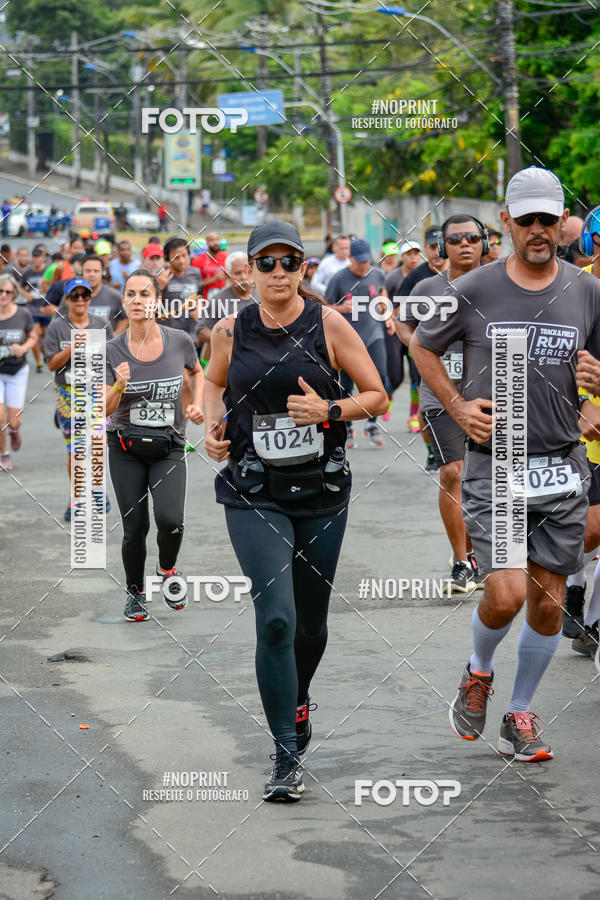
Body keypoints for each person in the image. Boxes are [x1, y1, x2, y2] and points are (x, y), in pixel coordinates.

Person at [411, 166, 600, 761]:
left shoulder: (587, 289)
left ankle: (518, 713)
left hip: (562, 464)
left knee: (547, 602)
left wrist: (596, 395)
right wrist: (458, 405)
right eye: (528, 221)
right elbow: (423, 346)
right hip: (497, 462)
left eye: (549, 219)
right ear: (506, 222)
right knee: (507, 592)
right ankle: (479, 669)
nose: (539, 230)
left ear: (562, 223)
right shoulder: (474, 289)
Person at [204, 220, 387, 801]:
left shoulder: (327, 322)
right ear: (250, 270)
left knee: (310, 622)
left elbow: (376, 394)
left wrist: (330, 411)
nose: (279, 272)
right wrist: (208, 424)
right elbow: (211, 384)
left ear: (304, 268)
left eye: (290, 262)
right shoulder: (230, 330)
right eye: (267, 263)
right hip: (253, 490)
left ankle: (298, 696)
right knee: (276, 618)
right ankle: (285, 753)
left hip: (322, 490)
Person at [105, 269, 204, 622]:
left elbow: (197, 371)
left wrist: (197, 404)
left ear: (157, 302)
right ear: (123, 301)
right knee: (135, 527)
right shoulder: (111, 350)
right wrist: (118, 386)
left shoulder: (179, 340)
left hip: (170, 445)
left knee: (170, 519)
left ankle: (166, 568)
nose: (136, 300)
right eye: (130, 294)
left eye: (144, 294)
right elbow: (102, 408)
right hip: (125, 448)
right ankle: (135, 594)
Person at [396, 215, 488, 592]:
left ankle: (480, 552)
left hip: (491, 395)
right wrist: (419, 350)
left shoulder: (503, 284)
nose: (464, 244)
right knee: (453, 472)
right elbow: (403, 324)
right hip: (440, 396)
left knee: (486, 479)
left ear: (484, 241)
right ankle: (461, 561)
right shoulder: (424, 289)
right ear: (442, 248)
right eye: (455, 239)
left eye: (472, 237)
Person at [45, 278, 114, 520]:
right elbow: (51, 364)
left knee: (97, 445)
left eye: (85, 295)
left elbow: (110, 361)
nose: (81, 300)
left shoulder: (102, 325)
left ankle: (97, 490)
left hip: (96, 392)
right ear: (66, 299)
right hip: (68, 394)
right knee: (74, 450)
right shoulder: (57, 326)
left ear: (90, 298)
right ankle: (76, 498)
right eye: (75, 296)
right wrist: (71, 348)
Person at [325, 238, 391, 448]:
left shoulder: (377, 273)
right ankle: (347, 426)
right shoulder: (339, 279)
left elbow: (382, 291)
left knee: (381, 377)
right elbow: (324, 306)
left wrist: (386, 313)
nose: (364, 266)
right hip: (347, 341)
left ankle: (372, 423)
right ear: (350, 258)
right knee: (346, 385)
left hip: (374, 335)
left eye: (367, 262)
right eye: (359, 262)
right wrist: (341, 309)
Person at [0, 274, 37, 471]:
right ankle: (4, 454)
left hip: (17, 370)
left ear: (14, 293)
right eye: (0, 291)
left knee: (12, 421)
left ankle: (14, 431)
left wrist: (24, 348)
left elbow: (33, 335)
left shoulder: (23, 313)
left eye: (7, 292)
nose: (3, 295)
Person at [196, 251, 256, 362]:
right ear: (228, 276)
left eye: (246, 272)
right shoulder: (218, 300)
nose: (243, 277)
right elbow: (201, 331)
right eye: (237, 273)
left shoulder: (263, 295)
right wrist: (230, 340)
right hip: (227, 362)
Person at [56, 255, 128, 336]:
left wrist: (113, 338)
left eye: (96, 271)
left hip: (106, 346)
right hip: (75, 345)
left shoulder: (115, 296)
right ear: (81, 272)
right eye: (88, 271)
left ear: (102, 273)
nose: (92, 274)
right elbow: (59, 321)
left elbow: (125, 319)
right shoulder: (71, 296)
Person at [20, 247, 52, 372]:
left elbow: (54, 284)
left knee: (46, 334)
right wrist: (26, 295)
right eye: (34, 257)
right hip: (32, 308)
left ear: (43, 258)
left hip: (45, 308)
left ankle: (45, 352)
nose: (36, 259)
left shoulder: (47, 271)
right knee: (36, 334)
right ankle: (39, 362)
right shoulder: (27, 273)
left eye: (39, 257)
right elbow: (20, 287)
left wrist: (47, 290)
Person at [191, 232, 227, 299]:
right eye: (212, 240)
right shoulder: (197, 260)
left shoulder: (226, 258)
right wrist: (213, 279)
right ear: (207, 242)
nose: (215, 243)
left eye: (217, 240)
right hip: (205, 300)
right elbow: (193, 284)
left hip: (223, 298)